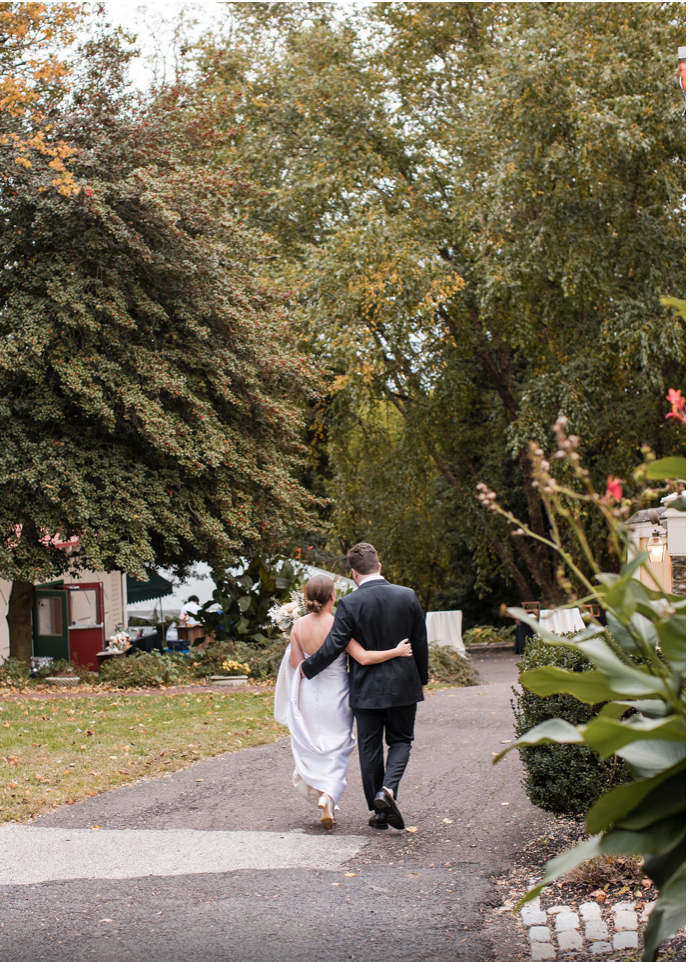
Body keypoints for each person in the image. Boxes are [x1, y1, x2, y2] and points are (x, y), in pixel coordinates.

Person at [301, 543, 428, 831]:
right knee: (400, 741)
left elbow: (334, 645)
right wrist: (421, 678)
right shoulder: (407, 595)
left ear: (353, 573)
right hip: (403, 684)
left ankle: (379, 812)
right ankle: (388, 791)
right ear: (379, 566)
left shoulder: (349, 603)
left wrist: (307, 669)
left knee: (369, 748)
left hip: (365, 688)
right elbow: (420, 640)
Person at [274, 574, 413, 830]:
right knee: (337, 747)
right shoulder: (338, 624)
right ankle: (328, 795)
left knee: (313, 743)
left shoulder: (298, 627)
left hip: (308, 693)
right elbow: (363, 657)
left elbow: (298, 667)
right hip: (336, 694)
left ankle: (323, 794)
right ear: (332, 596)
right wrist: (397, 651)